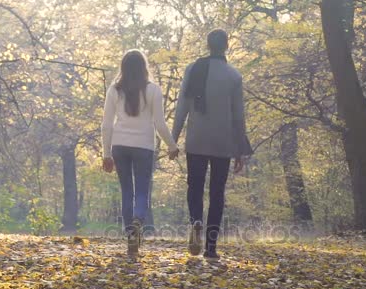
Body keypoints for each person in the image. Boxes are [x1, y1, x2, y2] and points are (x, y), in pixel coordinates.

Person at [172, 29, 253, 260]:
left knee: (194, 187)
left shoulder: (193, 69)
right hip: (222, 142)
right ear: (226, 46)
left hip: (197, 138)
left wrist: (173, 139)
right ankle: (211, 247)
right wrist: (240, 149)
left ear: (208, 45)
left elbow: (182, 107)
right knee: (217, 193)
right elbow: (239, 116)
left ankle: (196, 220)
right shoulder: (234, 76)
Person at [101, 50, 179, 257]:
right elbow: (159, 124)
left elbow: (106, 125)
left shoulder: (114, 90)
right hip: (144, 146)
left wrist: (106, 154)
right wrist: (171, 146)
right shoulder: (153, 90)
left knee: (127, 191)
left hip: (119, 145)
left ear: (123, 67)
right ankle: (138, 220)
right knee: (143, 189)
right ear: (144, 67)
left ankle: (130, 236)